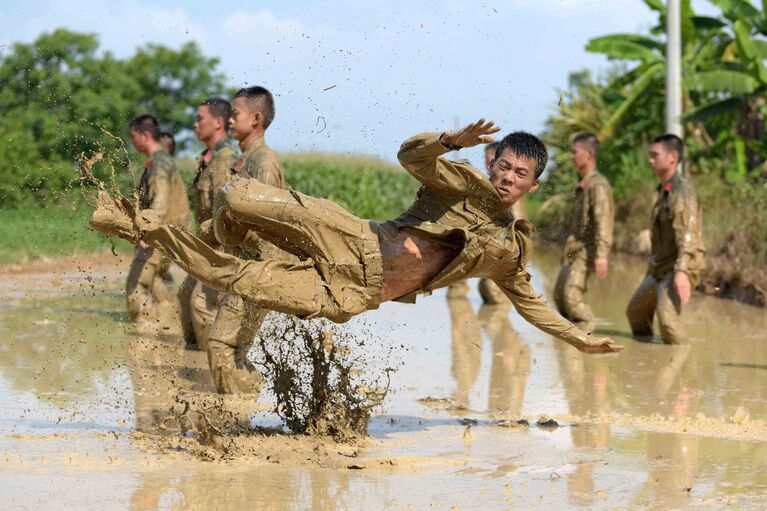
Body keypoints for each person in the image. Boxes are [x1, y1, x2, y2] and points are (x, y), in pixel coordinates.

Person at [92, 119, 622, 355]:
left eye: (518, 174)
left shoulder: (508, 251)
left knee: (236, 279)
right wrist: (446, 140)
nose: (506, 177)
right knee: (238, 197)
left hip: (355, 294)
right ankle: (219, 229)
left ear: (532, 182)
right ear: (493, 162)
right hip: (355, 239)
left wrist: (578, 338)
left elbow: (531, 304)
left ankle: (138, 227)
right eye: (502, 165)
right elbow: (409, 156)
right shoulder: (461, 180)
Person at [203, 86, 288, 394]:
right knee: (233, 350)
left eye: (235, 114)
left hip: (257, 272)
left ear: (255, 118)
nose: (229, 120)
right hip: (243, 269)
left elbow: (266, 224)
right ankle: (248, 406)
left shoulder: (263, 163)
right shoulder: (244, 161)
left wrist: (219, 227)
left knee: (221, 346)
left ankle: (238, 415)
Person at [625, 134, 705, 344]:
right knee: (636, 312)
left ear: (673, 157)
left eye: (655, 155)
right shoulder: (663, 190)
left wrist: (682, 272)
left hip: (678, 266)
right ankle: (646, 359)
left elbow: (688, 235)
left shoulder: (682, 192)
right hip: (660, 266)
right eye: (650, 155)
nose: (650, 160)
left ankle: (680, 359)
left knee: (667, 319)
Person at [176, 98, 239, 350]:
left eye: (199, 119)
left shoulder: (226, 160)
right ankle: (193, 358)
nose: (194, 125)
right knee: (185, 296)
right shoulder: (207, 161)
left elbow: (231, 211)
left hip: (221, 249)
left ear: (218, 123)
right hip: (205, 247)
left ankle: (210, 368)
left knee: (203, 307)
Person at [123, 115, 189, 324]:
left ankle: (145, 338)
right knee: (159, 283)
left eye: (134, 136)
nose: (132, 142)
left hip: (157, 236)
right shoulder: (161, 161)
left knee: (136, 287)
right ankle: (170, 325)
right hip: (167, 236)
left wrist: (146, 231)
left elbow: (160, 201)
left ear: (144, 135)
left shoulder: (159, 163)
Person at [447, 141, 524, 304]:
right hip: (486, 245)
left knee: (494, 295)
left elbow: (517, 225)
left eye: (492, 160)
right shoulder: (488, 186)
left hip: (502, 249)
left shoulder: (509, 190)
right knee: (483, 290)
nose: (488, 164)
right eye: (487, 160)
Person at [553, 132, 614, 329]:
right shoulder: (584, 183)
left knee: (572, 297)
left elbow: (603, 219)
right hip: (574, 249)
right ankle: (569, 346)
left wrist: (602, 255)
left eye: (575, 152)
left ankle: (587, 337)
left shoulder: (598, 185)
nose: (572, 156)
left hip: (587, 250)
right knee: (560, 296)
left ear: (588, 154)